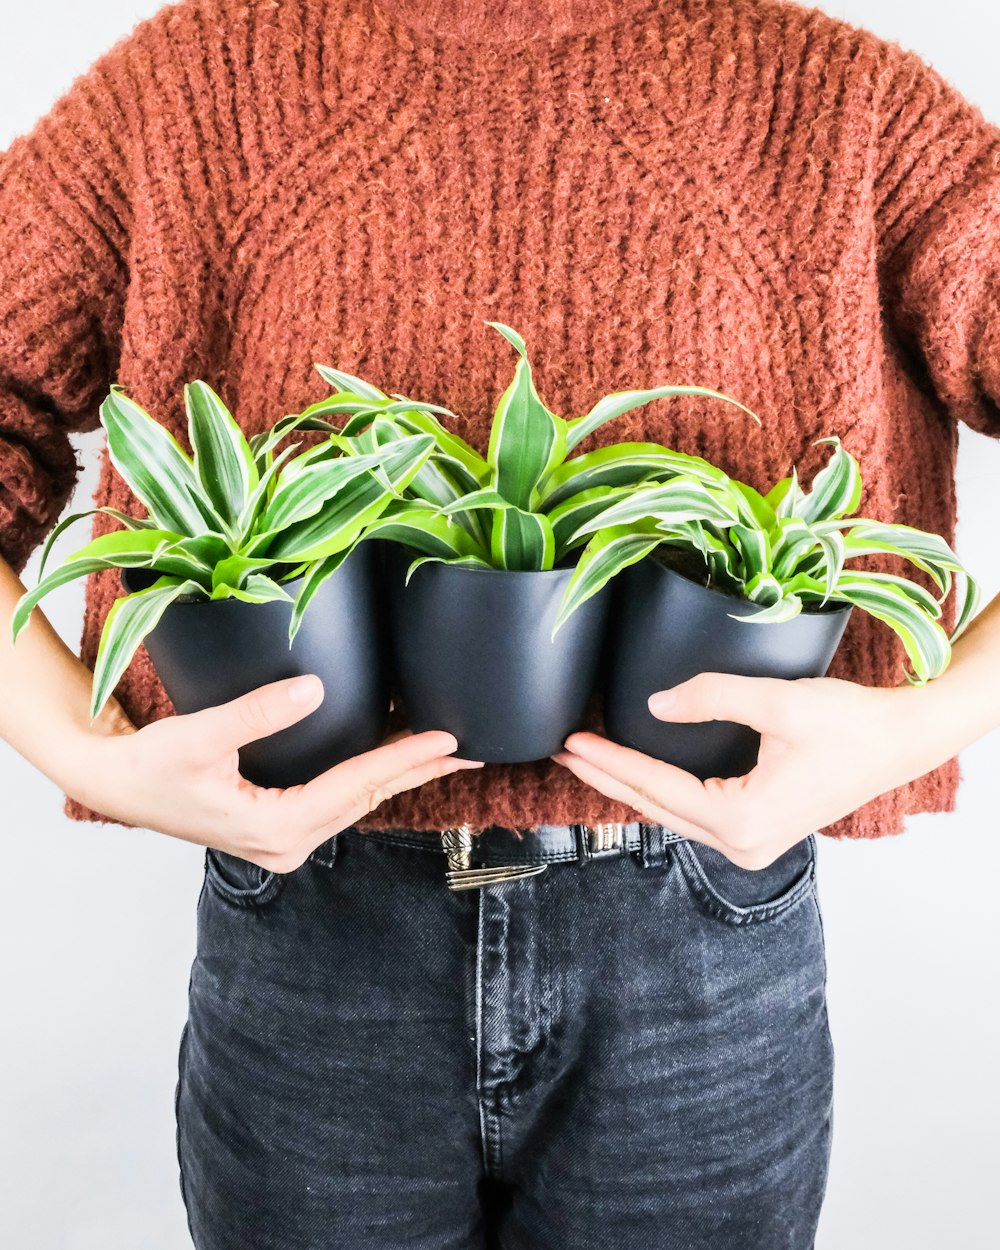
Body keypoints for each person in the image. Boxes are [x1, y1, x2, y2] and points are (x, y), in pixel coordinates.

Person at [1, 1, 999, 1246]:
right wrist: (81, 752)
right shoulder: (191, 87)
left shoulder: (843, 109)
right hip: (312, 929)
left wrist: (919, 725)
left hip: (697, 941)